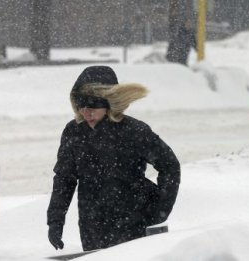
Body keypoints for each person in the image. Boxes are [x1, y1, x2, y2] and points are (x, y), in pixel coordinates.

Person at [47, 66, 181, 251]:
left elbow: (170, 166)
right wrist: (55, 221)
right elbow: (64, 179)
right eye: (81, 106)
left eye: (93, 106)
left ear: (110, 102)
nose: (87, 113)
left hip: (136, 222)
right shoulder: (74, 132)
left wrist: (161, 210)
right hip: (92, 224)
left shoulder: (134, 131)